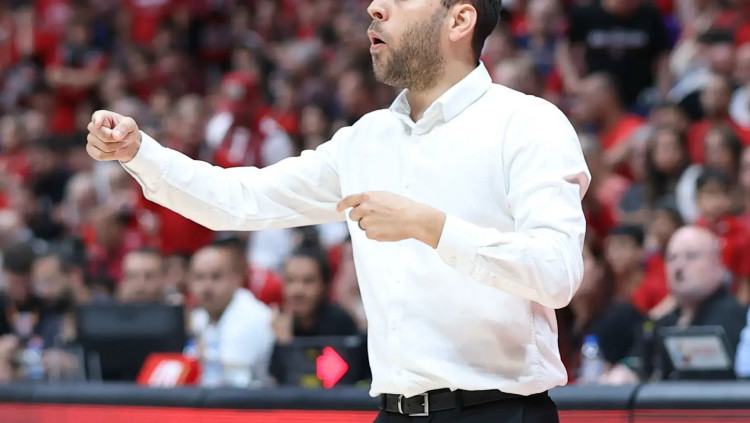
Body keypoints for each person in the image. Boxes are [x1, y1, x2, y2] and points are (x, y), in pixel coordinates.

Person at [85, 0, 590, 420]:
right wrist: (140, 152)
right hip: (394, 411)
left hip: (500, 410)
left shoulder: (527, 124)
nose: (374, 8)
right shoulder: (365, 139)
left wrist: (431, 226)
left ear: (459, 19)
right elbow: (242, 201)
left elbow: (556, 273)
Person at [604, 226, 747, 384]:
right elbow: (637, 362)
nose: (678, 266)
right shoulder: (665, 320)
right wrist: (626, 373)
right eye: (672, 257)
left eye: (691, 256)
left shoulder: (735, 318)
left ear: (718, 261)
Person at [269, 246, 361, 385]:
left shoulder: (339, 323)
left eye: (308, 281)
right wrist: (282, 342)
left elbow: (326, 385)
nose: (297, 290)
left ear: (325, 285)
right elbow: (274, 384)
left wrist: (287, 346)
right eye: (290, 280)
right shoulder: (278, 323)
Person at [188, 241, 274, 388]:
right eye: (199, 277)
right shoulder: (199, 316)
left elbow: (231, 386)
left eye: (216, 277)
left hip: (254, 399)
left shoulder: (251, 315)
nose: (207, 287)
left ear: (236, 279)